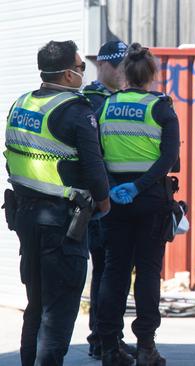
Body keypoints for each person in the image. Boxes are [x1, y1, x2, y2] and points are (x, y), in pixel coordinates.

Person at [4, 40, 110, 365]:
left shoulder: (22, 103)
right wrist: (104, 203)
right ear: (67, 74)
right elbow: (94, 167)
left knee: (35, 307)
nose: (82, 72)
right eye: (80, 67)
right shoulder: (76, 111)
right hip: (62, 225)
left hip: (25, 216)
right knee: (58, 312)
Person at [95, 43, 180, 366]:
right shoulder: (161, 108)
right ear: (152, 75)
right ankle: (146, 346)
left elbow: (95, 154)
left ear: (124, 73)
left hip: (115, 202)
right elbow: (169, 158)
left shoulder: (104, 107)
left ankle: (108, 347)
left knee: (114, 272)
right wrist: (138, 186)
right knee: (147, 272)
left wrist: (115, 187)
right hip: (150, 200)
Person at [82, 39, 137, 361]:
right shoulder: (91, 101)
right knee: (107, 271)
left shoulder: (119, 100)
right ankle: (104, 339)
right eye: (118, 66)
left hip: (122, 196)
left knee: (113, 271)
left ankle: (106, 336)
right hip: (102, 199)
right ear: (102, 64)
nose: (123, 73)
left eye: (127, 66)